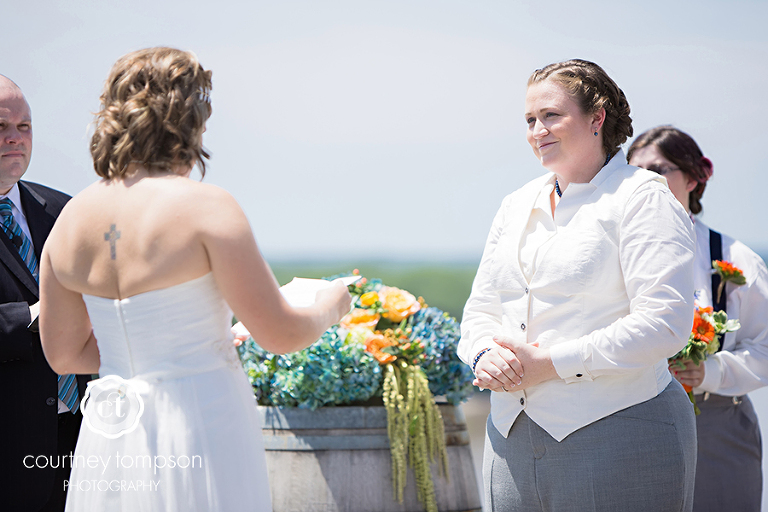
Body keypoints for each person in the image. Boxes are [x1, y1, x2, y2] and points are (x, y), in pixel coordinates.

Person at [38, 47, 351, 511]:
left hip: (111, 431)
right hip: (197, 421)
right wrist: (331, 302)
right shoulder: (206, 207)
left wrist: (152, 347)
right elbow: (281, 334)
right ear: (189, 120)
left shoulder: (70, 220)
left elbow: (65, 356)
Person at [458, 59, 698, 511]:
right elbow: (480, 311)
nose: (537, 130)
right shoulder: (515, 204)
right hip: (509, 437)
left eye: (551, 115)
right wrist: (481, 355)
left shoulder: (643, 196)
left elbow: (665, 325)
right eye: (530, 120)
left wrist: (550, 363)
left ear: (596, 118)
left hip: (621, 428)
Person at [628, 125, 768, 512]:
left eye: (658, 170)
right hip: (628, 423)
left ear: (693, 177)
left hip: (718, 428)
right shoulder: (609, 255)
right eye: (634, 171)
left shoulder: (735, 258)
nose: (645, 182)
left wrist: (711, 372)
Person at [0, 75, 91, 512]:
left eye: (24, 127)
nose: (14, 138)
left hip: (84, 436)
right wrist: (39, 313)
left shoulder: (67, 210)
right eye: (0, 126)